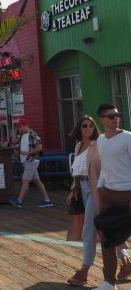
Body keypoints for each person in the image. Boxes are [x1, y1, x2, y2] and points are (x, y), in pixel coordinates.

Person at [66, 115, 131, 286]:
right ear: (79, 128)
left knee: (89, 228)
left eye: (91, 126)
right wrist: (74, 189)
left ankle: (84, 270)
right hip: (83, 188)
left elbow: (106, 168)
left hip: (97, 188)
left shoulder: (99, 144)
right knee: (105, 228)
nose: (88, 129)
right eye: (84, 126)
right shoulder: (79, 145)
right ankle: (126, 262)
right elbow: (78, 171)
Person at [93, 103, 131, 290]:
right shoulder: (100, 140)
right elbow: (105, 168)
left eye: (117, 115)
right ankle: (109, 282)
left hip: (127, 194)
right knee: (106, 238)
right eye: (111, 116)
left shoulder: (128, 138)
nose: (116, 118)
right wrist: (100, 189)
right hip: (107, 194)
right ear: (102, 119)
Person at [8, 118, 53, 208]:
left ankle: (19, 200)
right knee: (37, 181)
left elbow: (39, 147)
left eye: (20, 127)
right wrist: (15, 131)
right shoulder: (21, 134)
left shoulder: (33, 135)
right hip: (27, 161)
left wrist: (28, 152)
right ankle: (47, 200)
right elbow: (13, 141)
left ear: (25, 125)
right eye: (19, 127)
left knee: (25, 180)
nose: (19, 129)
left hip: (32, 160)